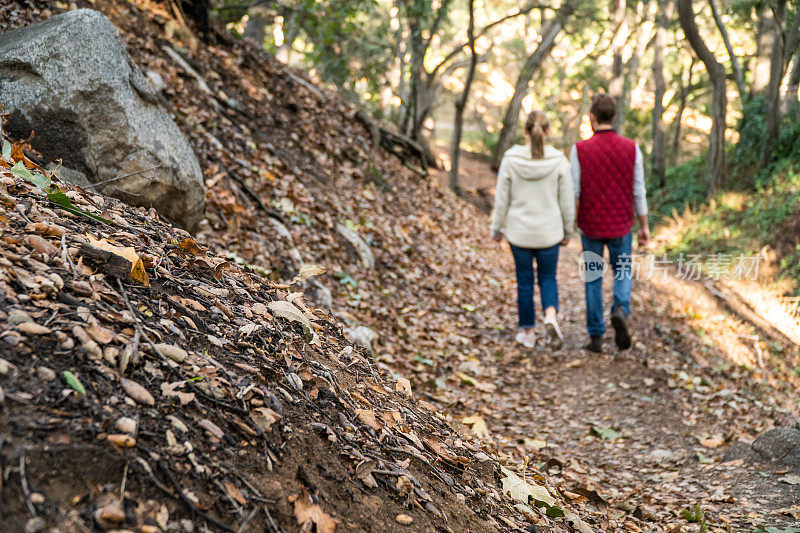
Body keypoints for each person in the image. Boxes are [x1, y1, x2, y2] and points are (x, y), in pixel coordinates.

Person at [570, 93, 650, 353]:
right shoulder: (631, 147)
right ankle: (620, 309)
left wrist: (567, 223)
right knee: (623, 271)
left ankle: (595, 336)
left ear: (591, 117)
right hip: (621, 226)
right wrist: (644, 225)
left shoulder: (580, 149)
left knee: (592, 277)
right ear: (614, 116)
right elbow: (638, 190)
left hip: (591, 225)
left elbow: (573, 191)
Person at [491, 110, 575, 350]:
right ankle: (550, 315)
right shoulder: (559, 160)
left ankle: (528, 333)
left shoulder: (511, 158)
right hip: (549, 233)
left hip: (520, 234)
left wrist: (496, 229)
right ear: (547, 131)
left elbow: (502, 199)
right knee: (548, 278)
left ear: (525, 131)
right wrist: (567, 232)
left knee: (525, 282)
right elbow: (567, 201)